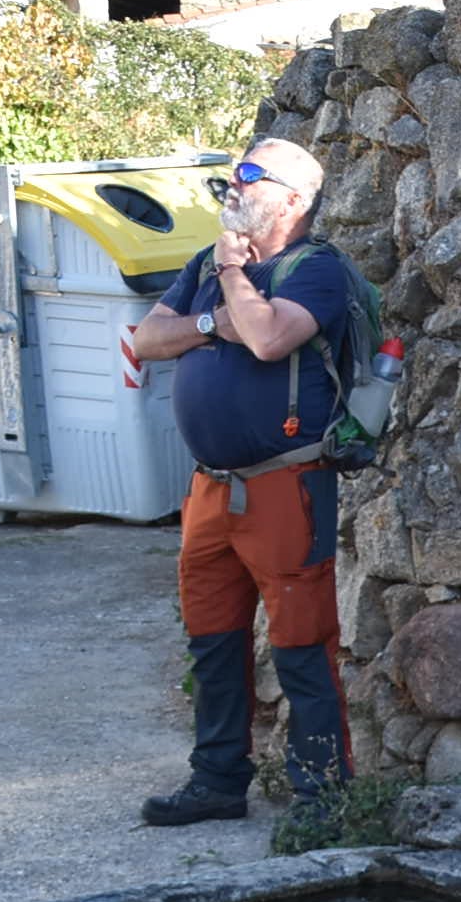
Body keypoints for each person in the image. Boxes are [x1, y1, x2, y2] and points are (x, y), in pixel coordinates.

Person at [126, 138, 359, 828]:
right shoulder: (203, 265)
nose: (235, 185)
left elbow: (265, 338)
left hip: (285, 487)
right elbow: (146, 339)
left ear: (294, 199)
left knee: (300, 640)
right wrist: (210, 320)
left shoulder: (317, 271)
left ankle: (323, 795)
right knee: (213, 638)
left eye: (252, 176)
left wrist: (232, 276)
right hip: (209, 491)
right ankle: (218, 780)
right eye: (234, 174)